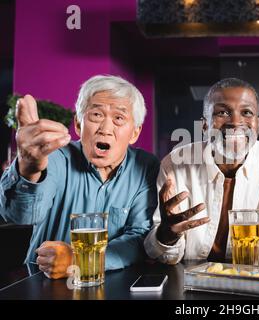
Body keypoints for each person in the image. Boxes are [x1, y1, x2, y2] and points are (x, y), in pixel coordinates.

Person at [144, 78, 259, 265]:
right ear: (204, 125)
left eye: (246, 112)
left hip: (257, 284)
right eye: (222, 112)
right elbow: (164, 255)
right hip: (193, 283)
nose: (235, 122)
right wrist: (167, 235)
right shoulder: (175, 164)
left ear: (257, 124)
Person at [0, 75, 159, 278]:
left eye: (119, 118)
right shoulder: (55, 156)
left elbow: (139, 237)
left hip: (111, 285)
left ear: (135, 133)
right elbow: (21, 216)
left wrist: (81, 260)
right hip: (42, 282)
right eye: (96, 115)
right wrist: (29, 167)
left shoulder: (146, 166)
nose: (105, 129)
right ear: (77, 124)